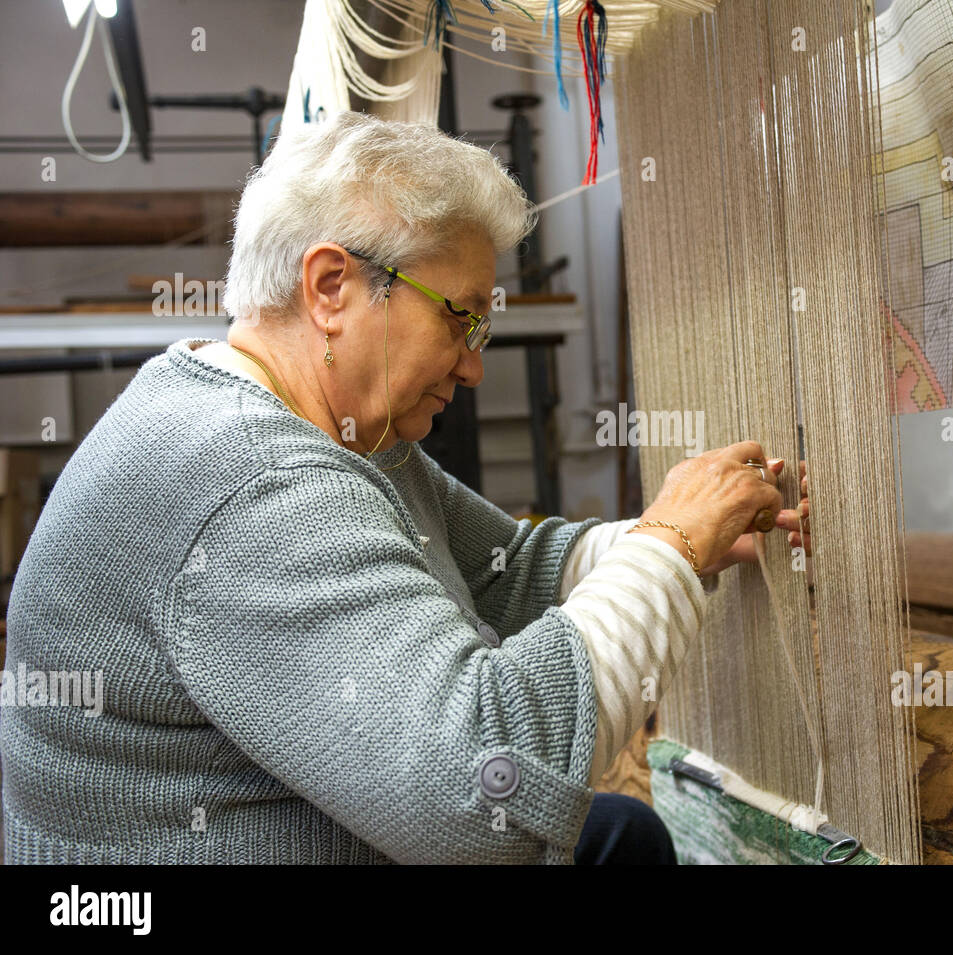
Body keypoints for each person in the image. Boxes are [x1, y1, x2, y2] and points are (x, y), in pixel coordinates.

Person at [0, 112, 808, 864]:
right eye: (459, 317)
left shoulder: (329, 427)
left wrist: (689, 536)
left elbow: (504, 572)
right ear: (330, 289)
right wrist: (669, 548)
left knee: (618, 834)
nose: (473, 362)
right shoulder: (253, 484)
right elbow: (478, 789)